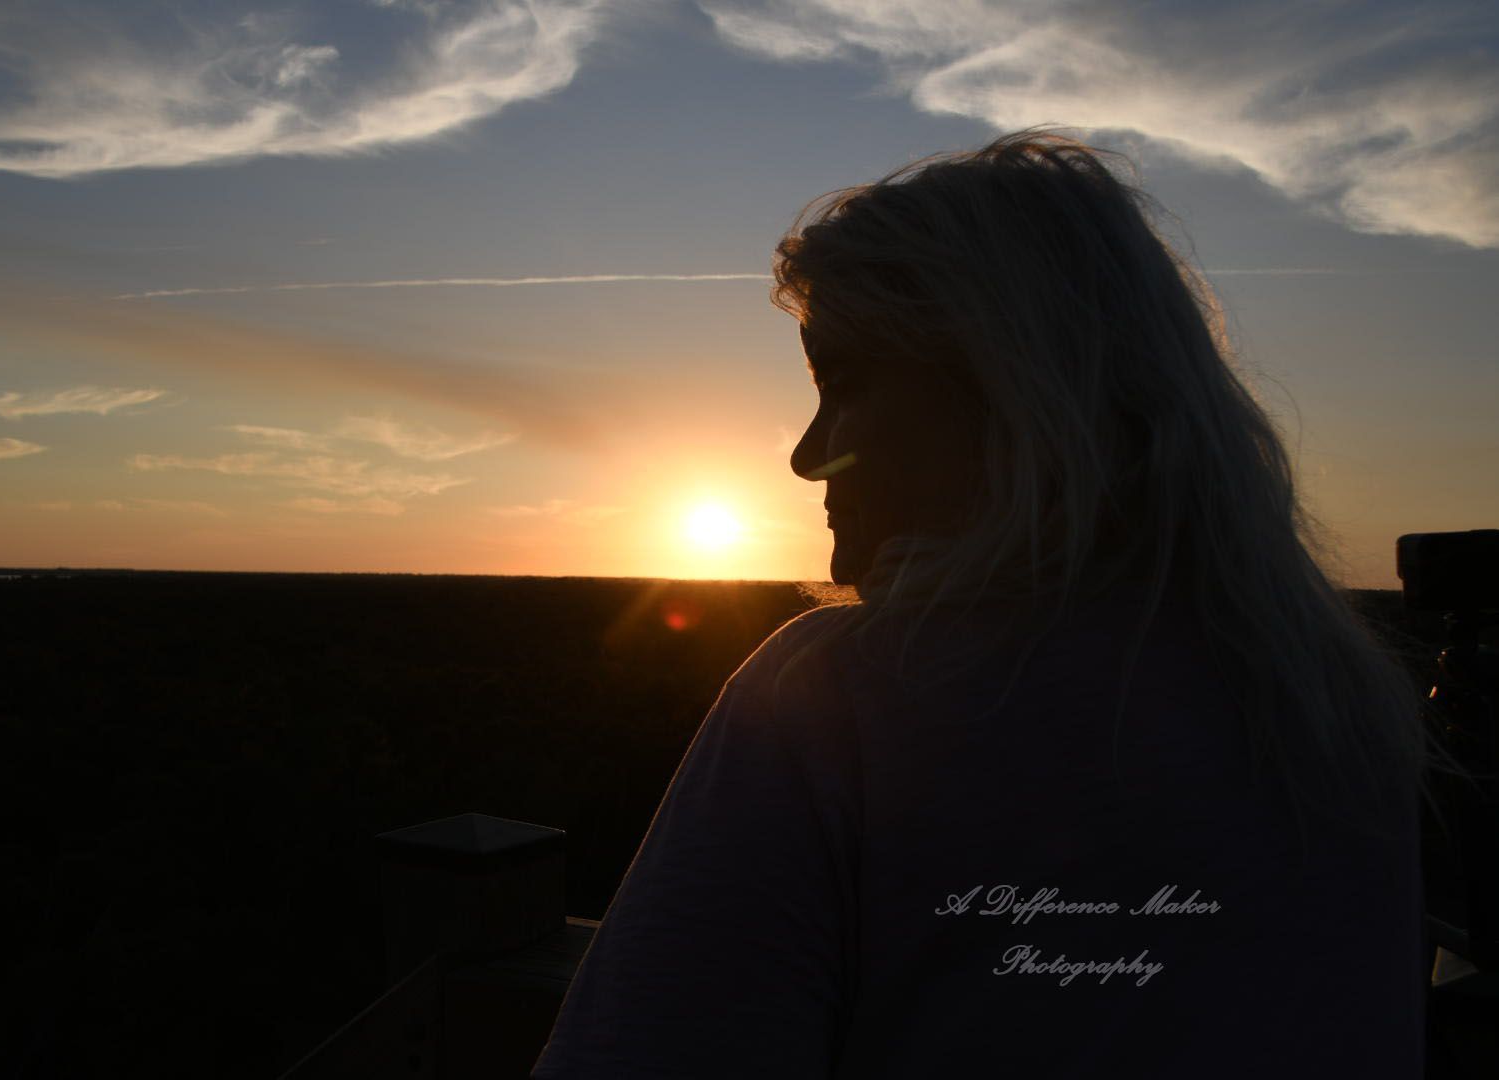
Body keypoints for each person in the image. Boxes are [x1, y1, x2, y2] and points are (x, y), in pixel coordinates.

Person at [531, 130, 1430, 1077]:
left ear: (1011, 391)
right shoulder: (1336, 712)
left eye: (843, 384)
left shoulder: (838, 699)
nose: (807, 456)